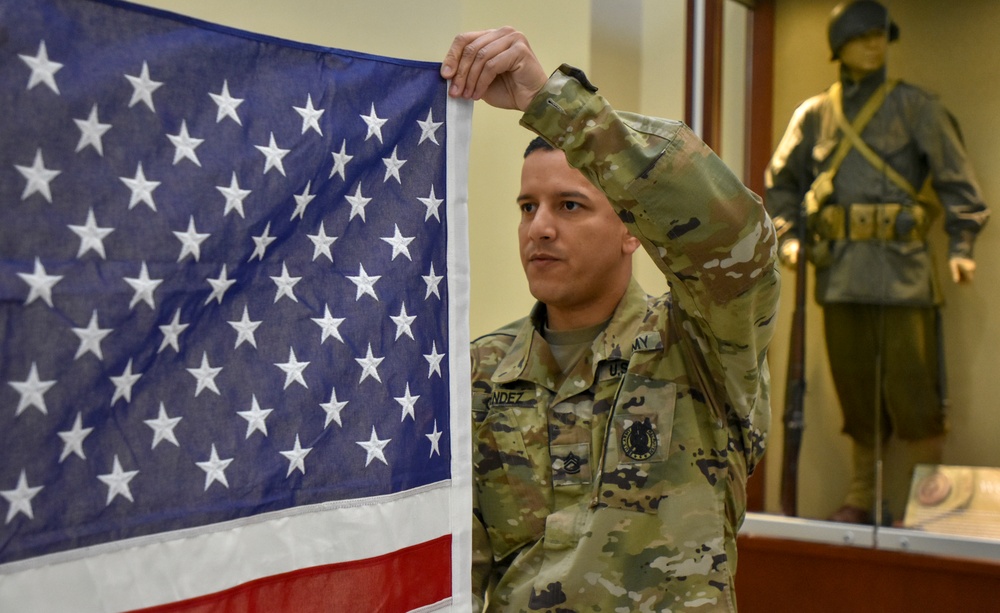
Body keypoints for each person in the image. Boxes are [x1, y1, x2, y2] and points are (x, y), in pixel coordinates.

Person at [442, 27, 779, 611]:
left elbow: (733, 236)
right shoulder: (482, 371)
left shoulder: (699, 345)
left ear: (631, 227)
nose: (539, 228)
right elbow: (454, 569)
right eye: (528, 207)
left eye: (569, 205)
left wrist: (555, 103)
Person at [765, 0, 989, 524]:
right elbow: (780, 186)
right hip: (839, 273)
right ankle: (863, 493)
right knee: (855, 391)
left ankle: (926, 500)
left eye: (881, 36)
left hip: (905, 273)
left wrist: (961, 247)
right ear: (839, 45)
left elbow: (959, 184)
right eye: (863, 36)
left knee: (915, 390)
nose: (875, 45)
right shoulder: (814, 115)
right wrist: (789, 238)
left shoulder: (917, 108)